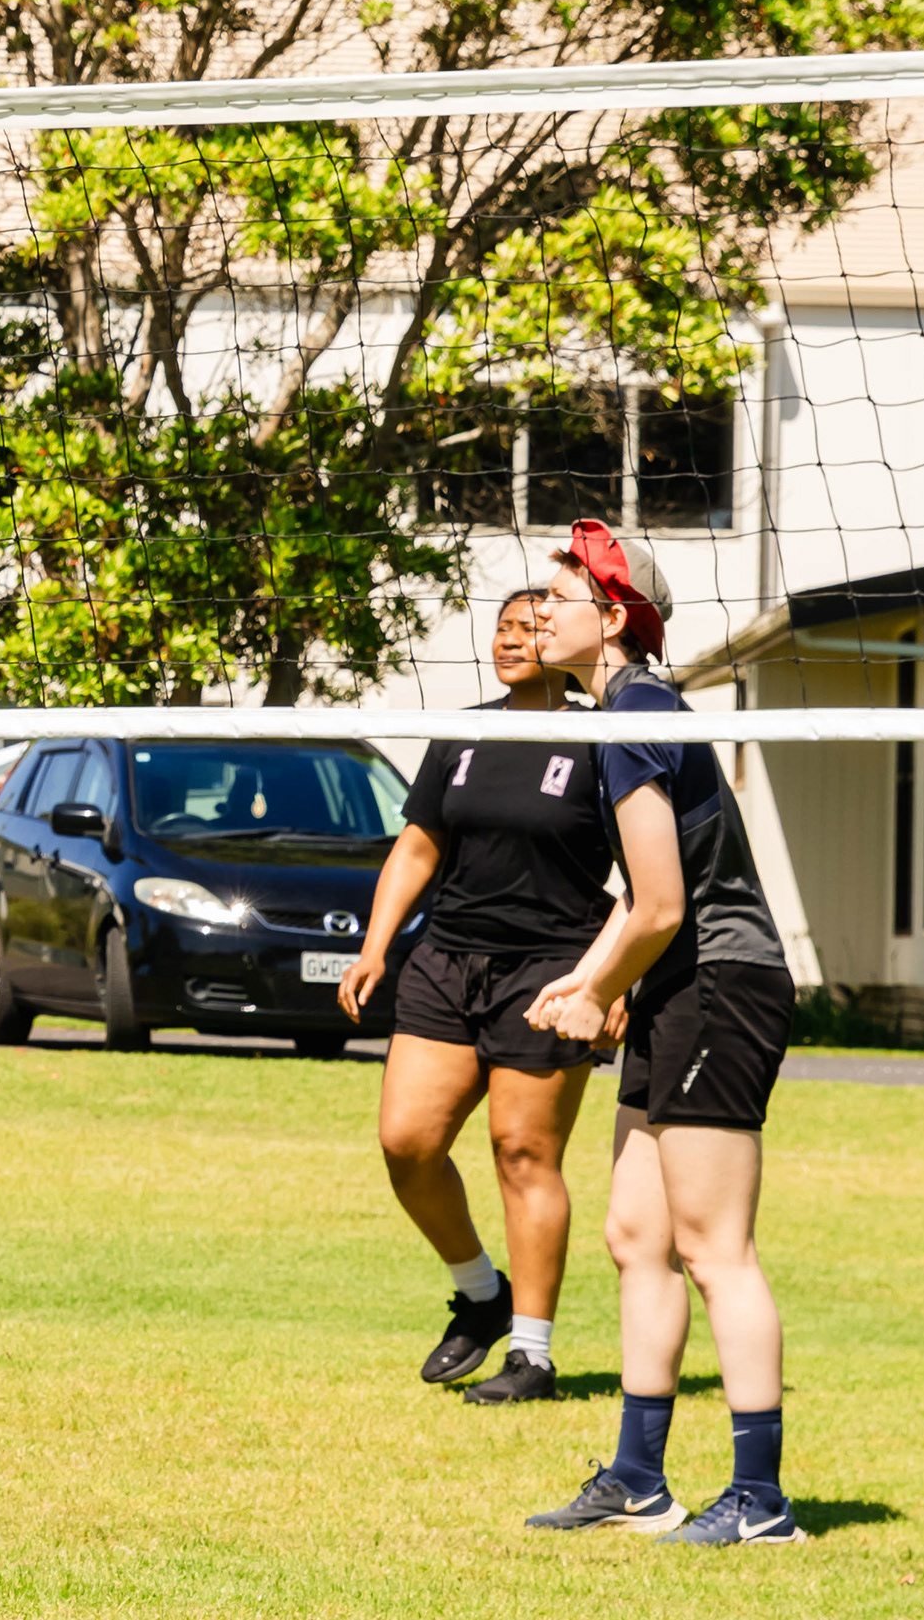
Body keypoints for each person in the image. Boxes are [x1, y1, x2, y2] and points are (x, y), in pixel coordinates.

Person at [518, 523, 804, 1546]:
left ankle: (760, 1499)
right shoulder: (622, 713)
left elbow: (665, 904)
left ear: (613, 616)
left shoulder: (638, 713)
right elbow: (644, 900)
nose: (536, 612)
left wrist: (599, 987)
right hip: (679, 982)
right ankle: (639, 1479)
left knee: (714, 1248)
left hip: (721, 981)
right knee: (636, 1235)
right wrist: (586, 980)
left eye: (557, 596)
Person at [335, 586, 606, 1404]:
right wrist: (375, 946)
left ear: (566, 640)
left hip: (549, 968)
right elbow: (419, 844)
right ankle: (481, 1293)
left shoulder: (605, 735)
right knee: (406, 1141)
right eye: (504, 627)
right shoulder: (463, 730)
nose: (512, 639)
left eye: (531, 628)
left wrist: (609, 979)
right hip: (447, 959)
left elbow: (646, 864)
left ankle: (533, 1355)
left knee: (523, 1153)